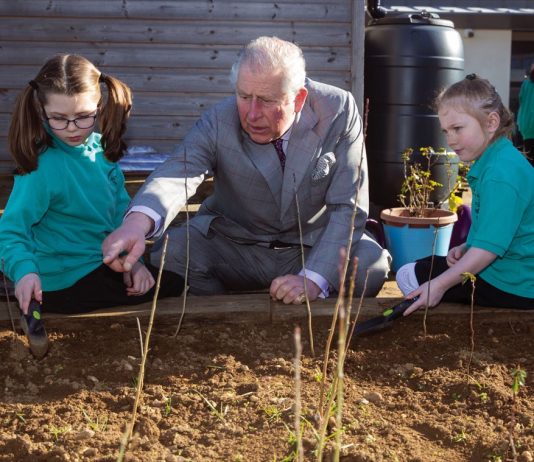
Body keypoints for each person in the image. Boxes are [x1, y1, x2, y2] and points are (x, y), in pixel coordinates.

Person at [102, 36, 391, 304]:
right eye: (243, 96)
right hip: (237, 248)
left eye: (266, 101)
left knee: (370, 264)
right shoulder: (218, 120)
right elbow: (177, 172)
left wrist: (313, 280)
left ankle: (313, 320)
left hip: (312, 247)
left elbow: (348, 206)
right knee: (172, 251)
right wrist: (135, 226)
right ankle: (223, 321)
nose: (252, 114)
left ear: (299, 98)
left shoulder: (338, 110)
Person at [0, 54, 183, 358]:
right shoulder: (41, 168)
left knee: (166, 280)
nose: (72, 128)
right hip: (59, 280)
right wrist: (24, 272)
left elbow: (118, 219)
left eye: (84, 116)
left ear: (100, 106)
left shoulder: (100, 151)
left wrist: (131, 263)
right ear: (40, 110)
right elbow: (11, 230)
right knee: (172, 288)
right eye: (58, 118)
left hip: (99, 264)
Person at [396, 74, 534, 315]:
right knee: (423, 267)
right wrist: (467, 246)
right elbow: (502, 230)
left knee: (410, 275)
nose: (450, 140)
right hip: (513, 273)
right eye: (446, 131)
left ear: (491, 123)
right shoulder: (498, 160)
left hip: (514, 285)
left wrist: (438, 286)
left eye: (458, 128)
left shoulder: (500, 174)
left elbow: (489, 250)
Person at [517, 62, 534, 167]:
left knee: (529, 162)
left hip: (526, 129)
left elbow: (521, 100)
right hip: (528, 128)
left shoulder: (526, 84)